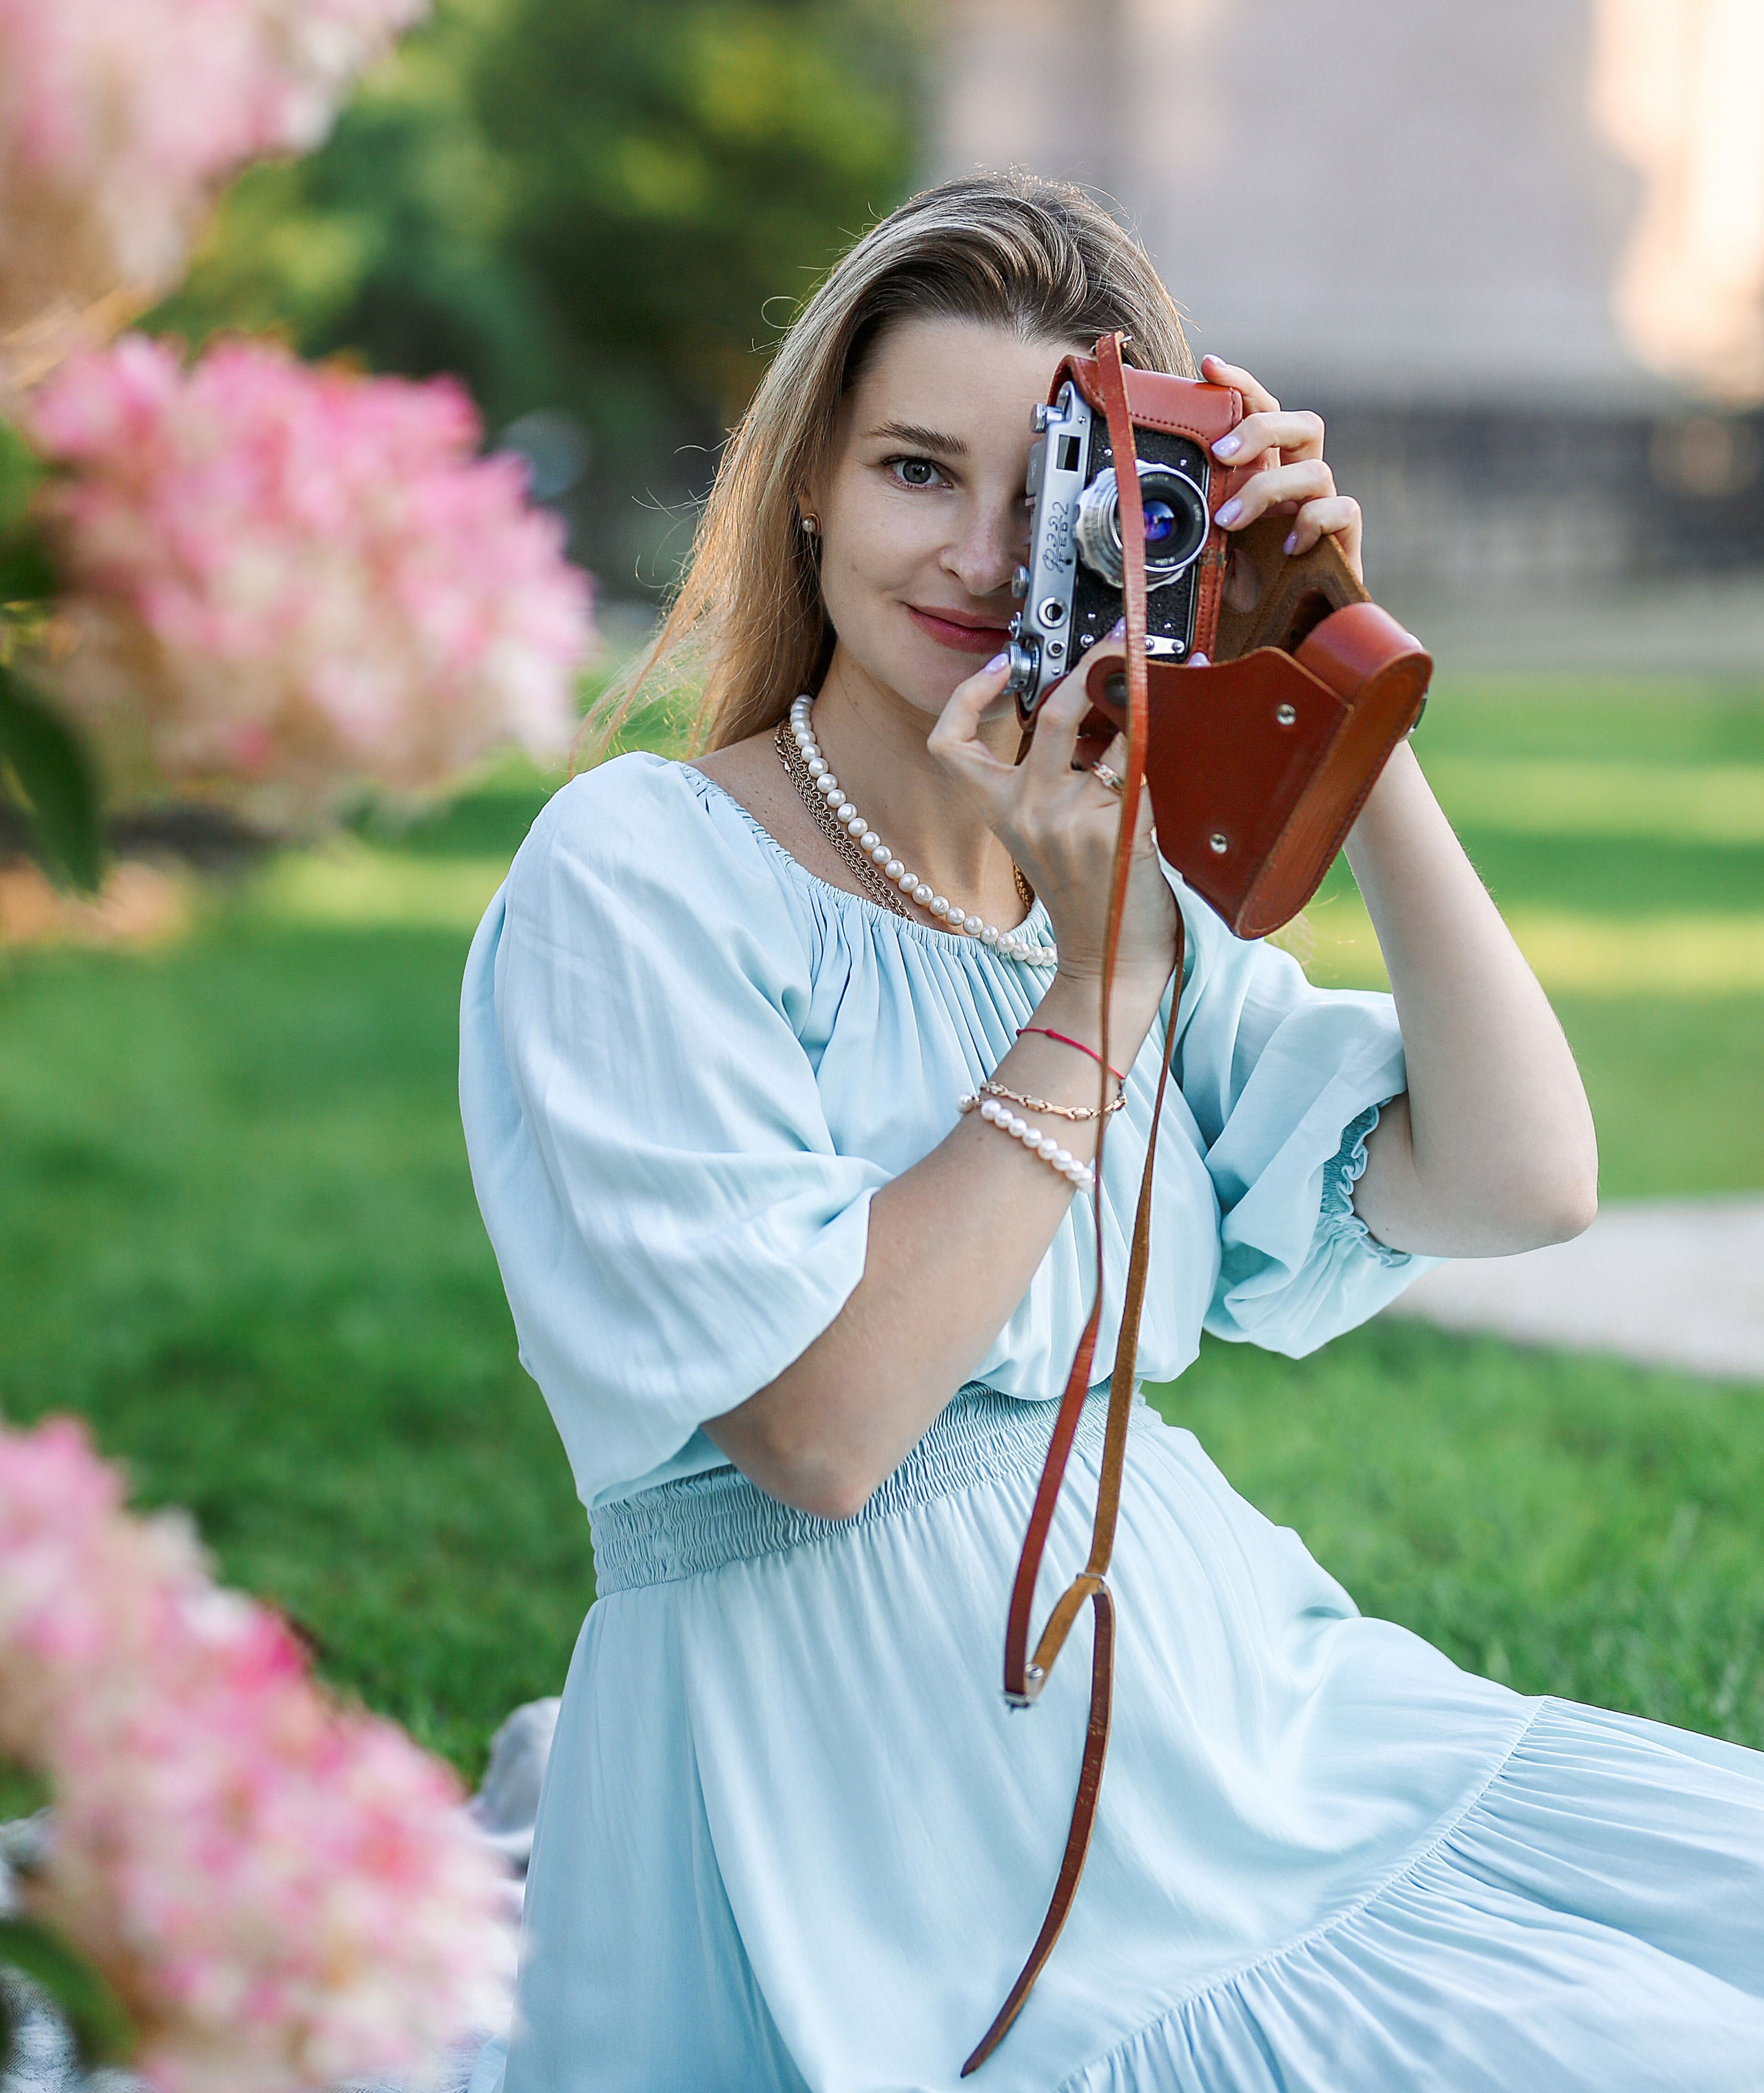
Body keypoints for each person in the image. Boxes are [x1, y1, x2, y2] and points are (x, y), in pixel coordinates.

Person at [459, 176, 1764, 2092]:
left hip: (1231, 1708)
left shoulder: (1116, 873)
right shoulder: (643, 873)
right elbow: (819, 1435)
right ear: (809, 475)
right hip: (878, 1821)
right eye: (919, 470)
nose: (984, 558)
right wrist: (1095, 995)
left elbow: (1520, 1179)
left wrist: (1330, 666)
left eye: (1052, 504)